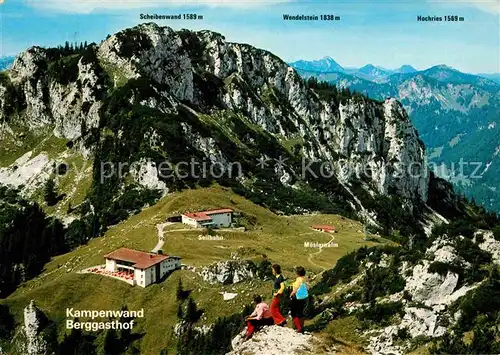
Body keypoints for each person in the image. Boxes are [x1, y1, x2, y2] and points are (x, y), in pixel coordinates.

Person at [290, 266, 308, 333]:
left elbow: (295, 289)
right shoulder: (304, 279)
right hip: (303, 297)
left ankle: (298, 327)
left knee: (294, 313)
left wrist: (291, 294)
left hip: (297, 297)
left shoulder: (298, 279)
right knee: (301, 313)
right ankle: (301, 326)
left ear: (297, 273)